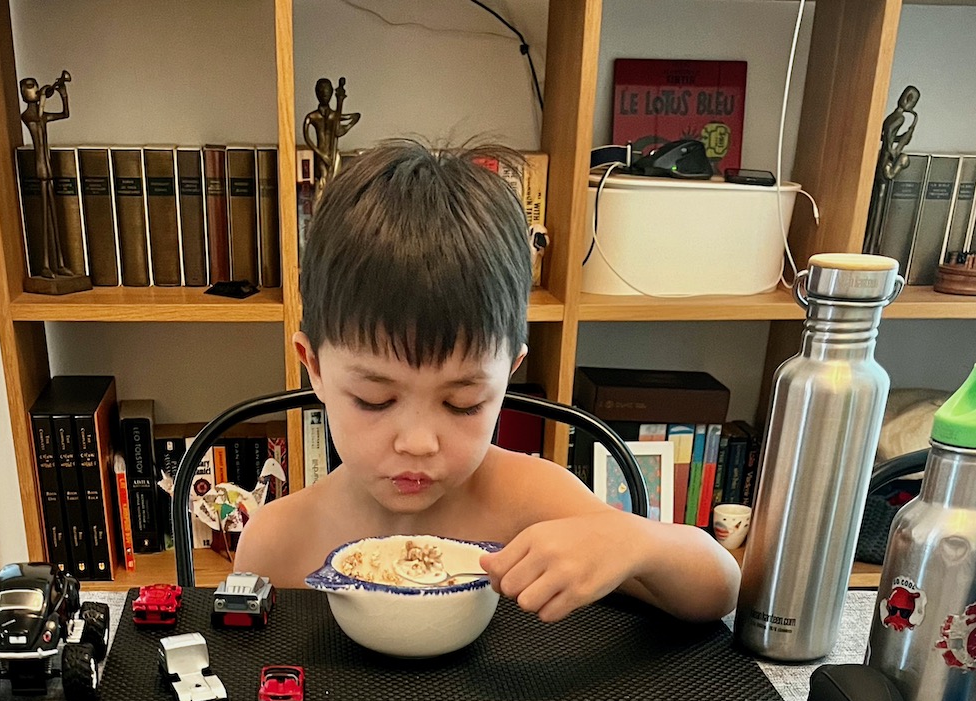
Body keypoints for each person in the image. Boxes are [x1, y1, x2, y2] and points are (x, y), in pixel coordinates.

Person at [236, 142, 739, 624]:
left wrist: (634, 542)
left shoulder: (534, 501)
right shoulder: (277, 541)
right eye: (375, 399)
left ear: (509, 372)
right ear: (314, 366)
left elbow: (720, 587)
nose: (418, 443)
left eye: (463, 403)